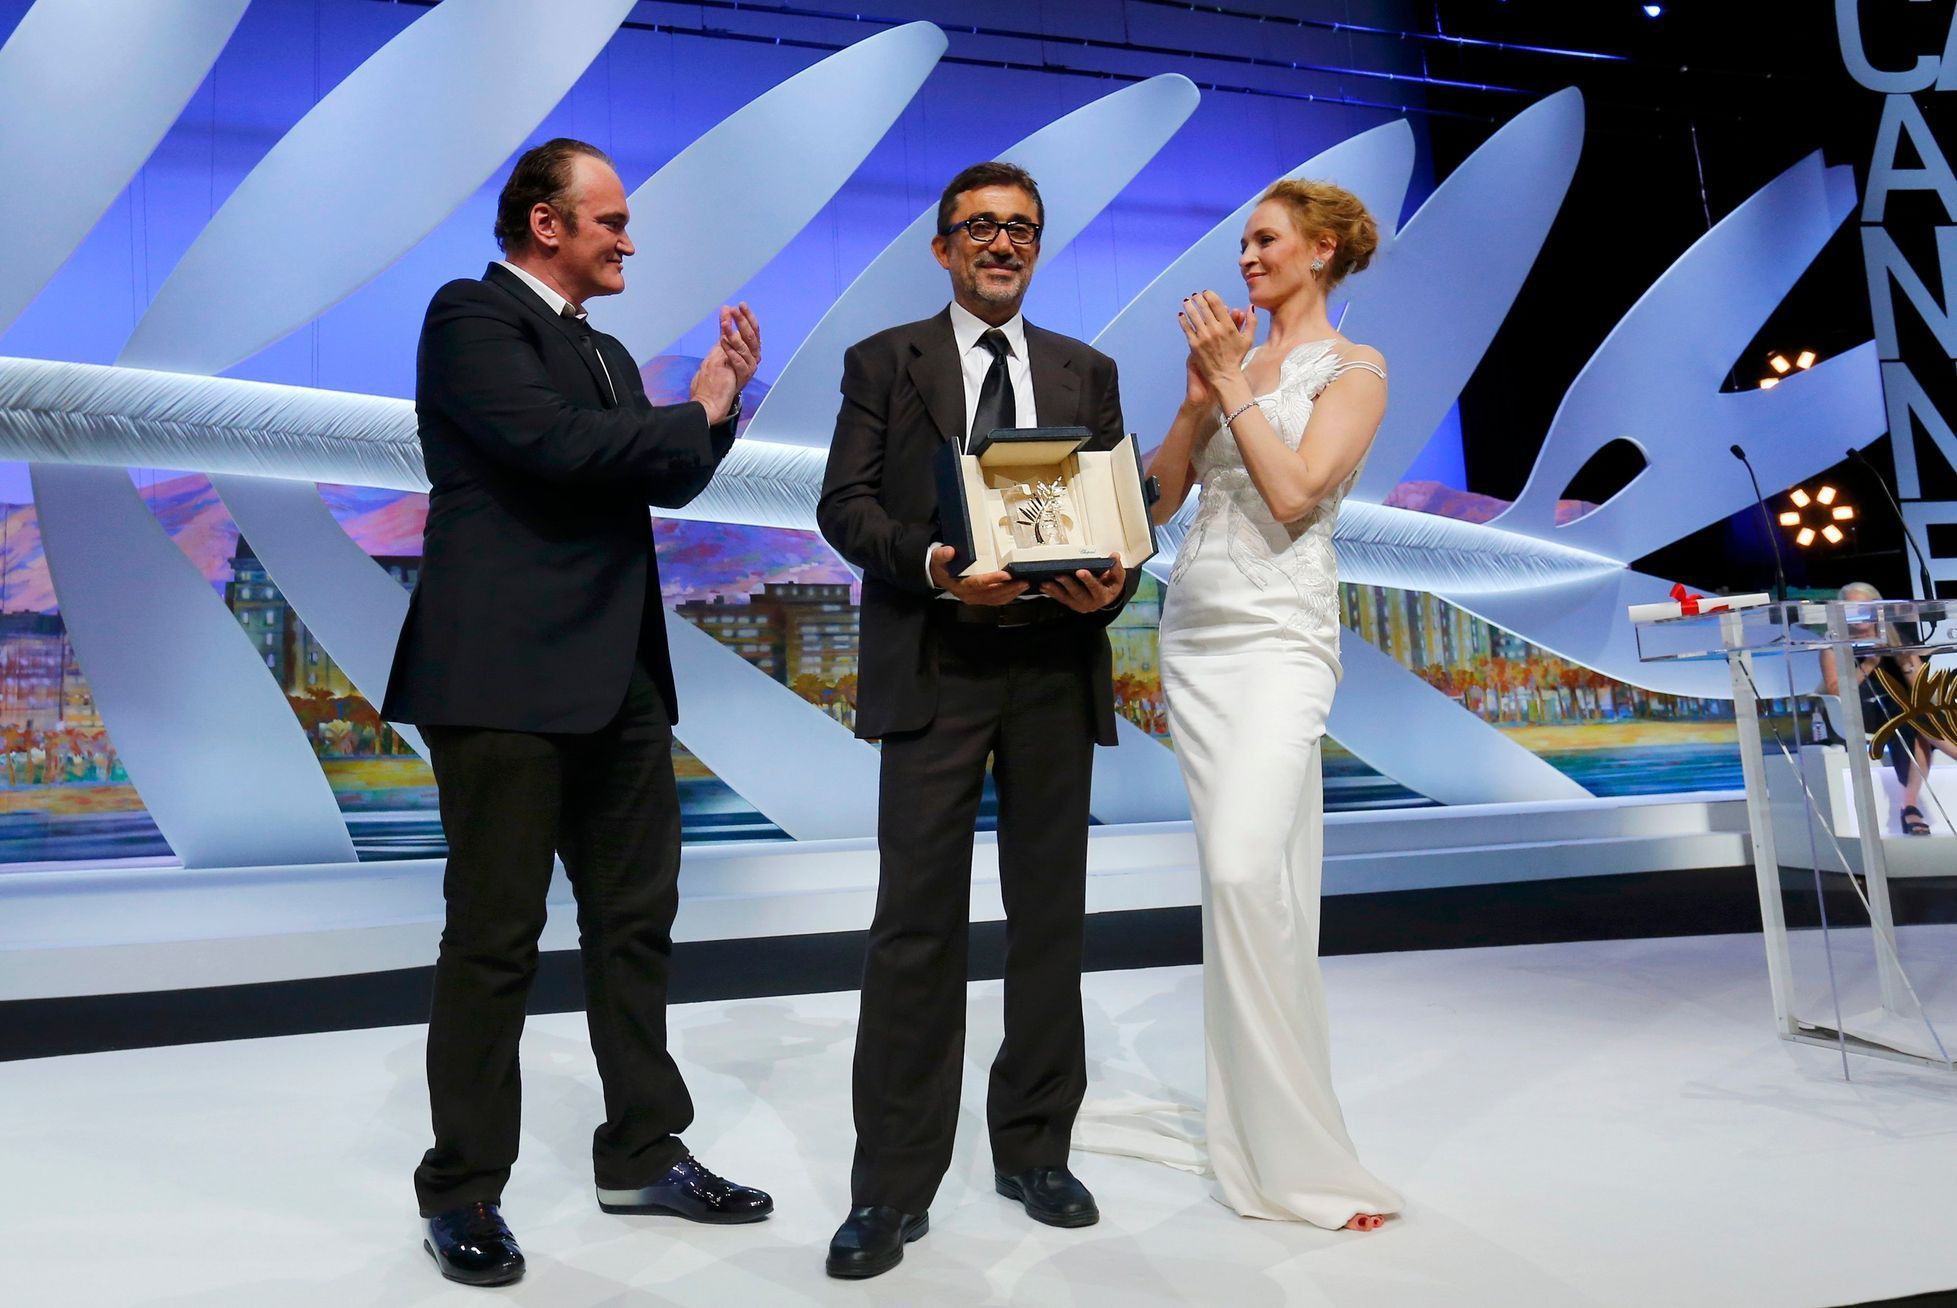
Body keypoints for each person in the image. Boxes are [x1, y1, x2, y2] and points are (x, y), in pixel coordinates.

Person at [382, 138, 771, 1288]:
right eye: (610, 221)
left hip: (619, 683)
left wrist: (717, 412)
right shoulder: (471, 317)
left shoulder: (600, 352)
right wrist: (689, 409)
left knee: (635, 925)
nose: (628, 240)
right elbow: (554, 448)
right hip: (502, 683)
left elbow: (658, 473)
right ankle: (461, 1191)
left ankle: (640, 1151)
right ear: (546, 225)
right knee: (495, 943)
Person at [816, 161, 1136, 1279]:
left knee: (1049, 918)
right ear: (943, 245)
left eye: (1022, 230)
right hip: (935, 662)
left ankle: (1035, 1148)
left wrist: (1113, 586)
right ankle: (891, 1186)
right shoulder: (881, 362)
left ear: (1036, 249)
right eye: (981, 227)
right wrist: (939, 567)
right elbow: (843, 508)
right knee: (915, 930)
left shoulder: (1084, 372)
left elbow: (1115, 525)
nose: (1002, 244)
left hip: (1052, 665)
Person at [1080, 179, 1403, 1230]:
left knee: (1243, 871)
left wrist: (1233, 381)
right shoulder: (1230, 368)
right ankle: (1253, 1138)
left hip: (1279, 640)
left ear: (1318, 252)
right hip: (1197, 640)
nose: (1246, 257)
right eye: (1245, 241)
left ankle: (1302, 1152)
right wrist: (1190, 406)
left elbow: (1296, 491)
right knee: (1240, 890)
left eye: (1263, 240)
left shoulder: (1356, 370)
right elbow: (1158, 502)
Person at [1818, 581, 1957, 835]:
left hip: (1903, 712)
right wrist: (1870, 663)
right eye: (1852, 608)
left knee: (1913, 716)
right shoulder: (1833, 646)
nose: (1860, 613)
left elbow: (1919, 685)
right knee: (1910, 713)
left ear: (1878, 610)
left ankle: (1909, 807)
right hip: (1860, 712)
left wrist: (1905, 662)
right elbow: (1836, 690)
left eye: (1865, 607)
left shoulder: (1896, 639)